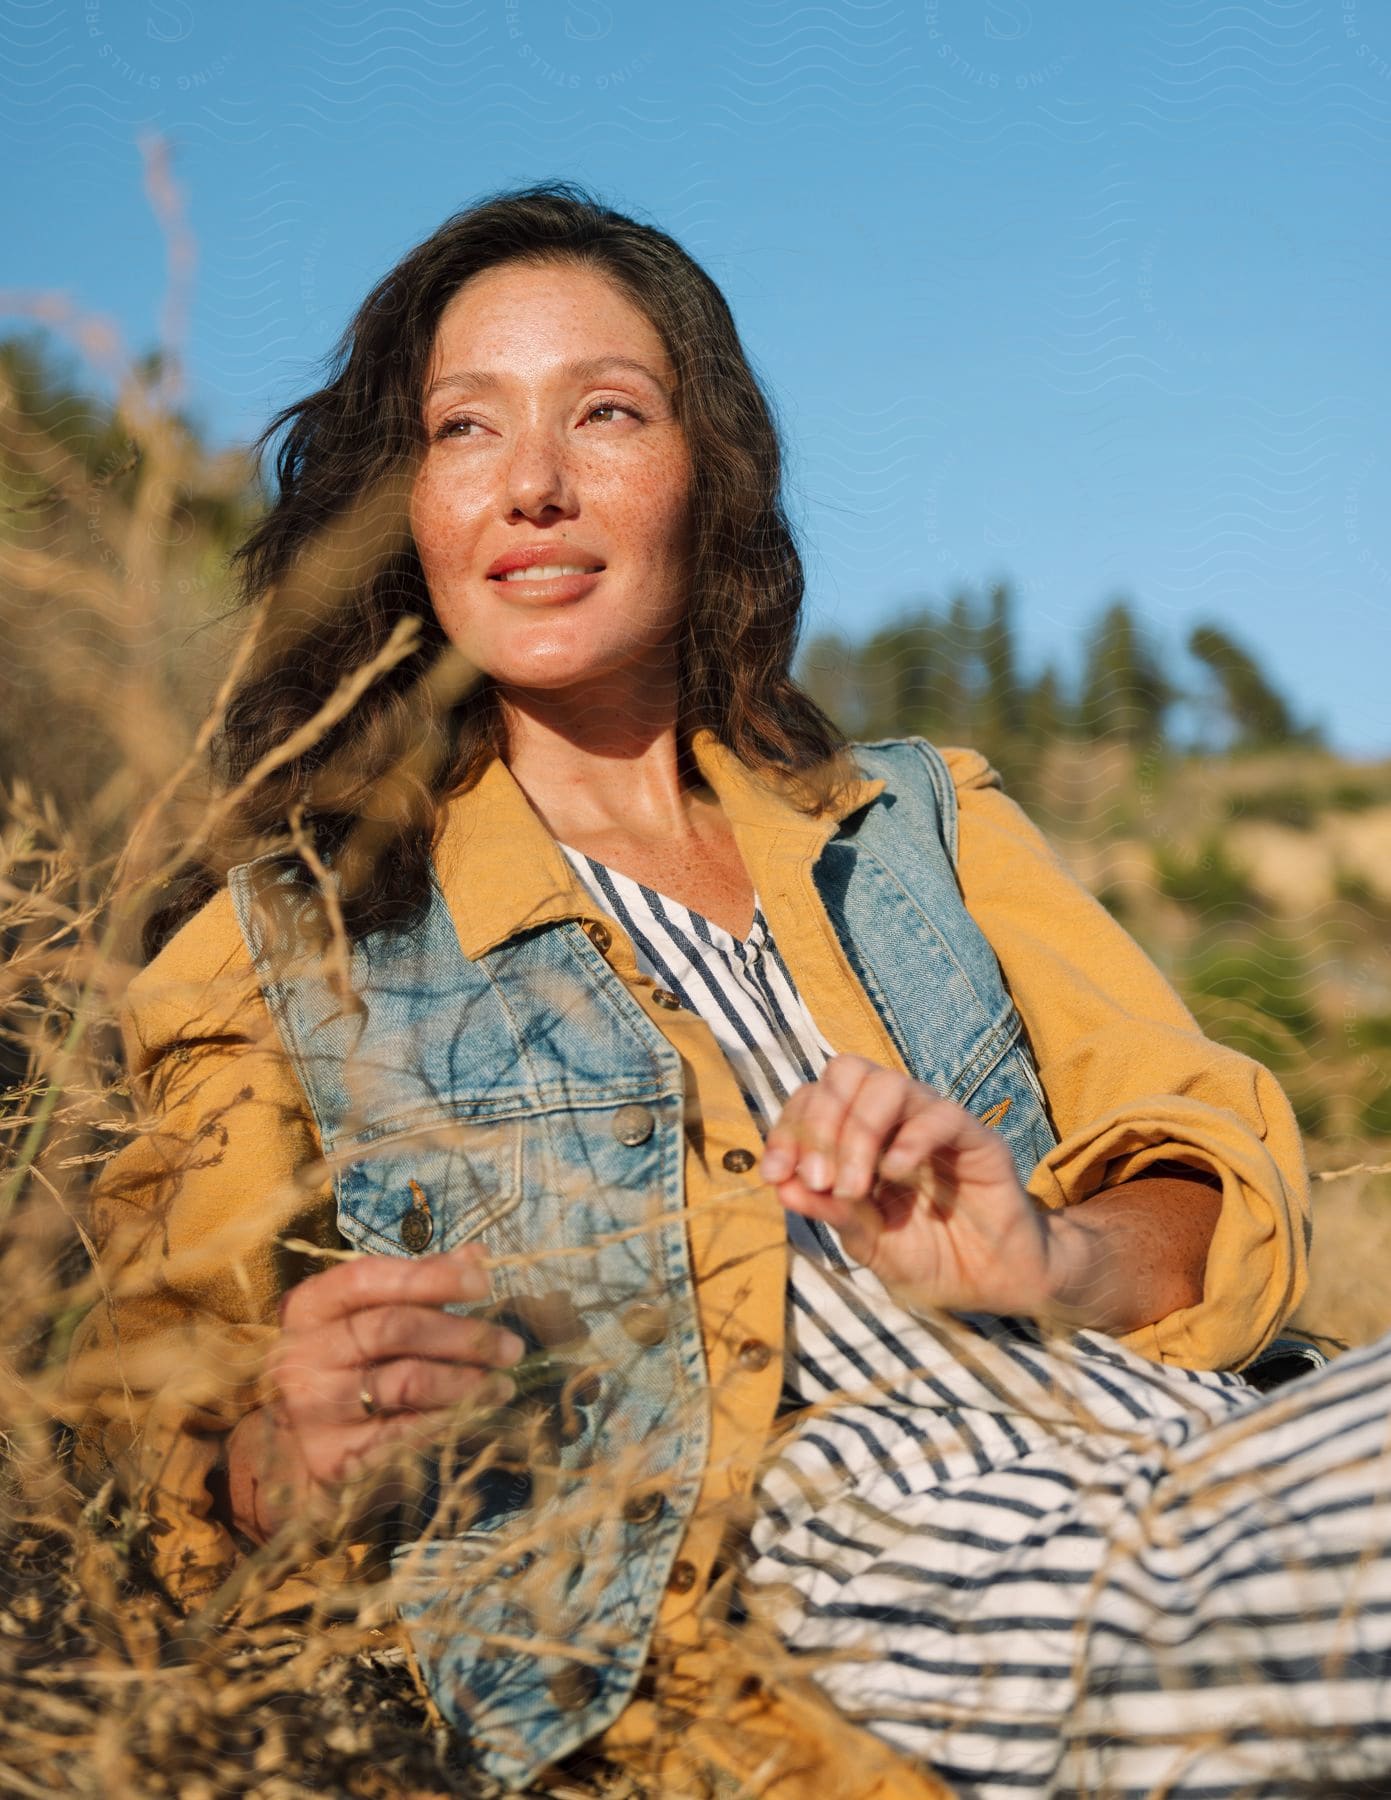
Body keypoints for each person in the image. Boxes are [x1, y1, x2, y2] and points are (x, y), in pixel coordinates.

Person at [64, 182, 1389, 1800]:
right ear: (403, 505)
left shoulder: (924, 822)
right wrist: (291, 1450)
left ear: (710, 474)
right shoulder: (287, 945)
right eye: (466, 429)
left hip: (1221, 1441)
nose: (535, 485)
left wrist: (1052, 1255)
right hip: (864, 1591)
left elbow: (1203, 1152)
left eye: (606, 413)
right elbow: (147, 1426)